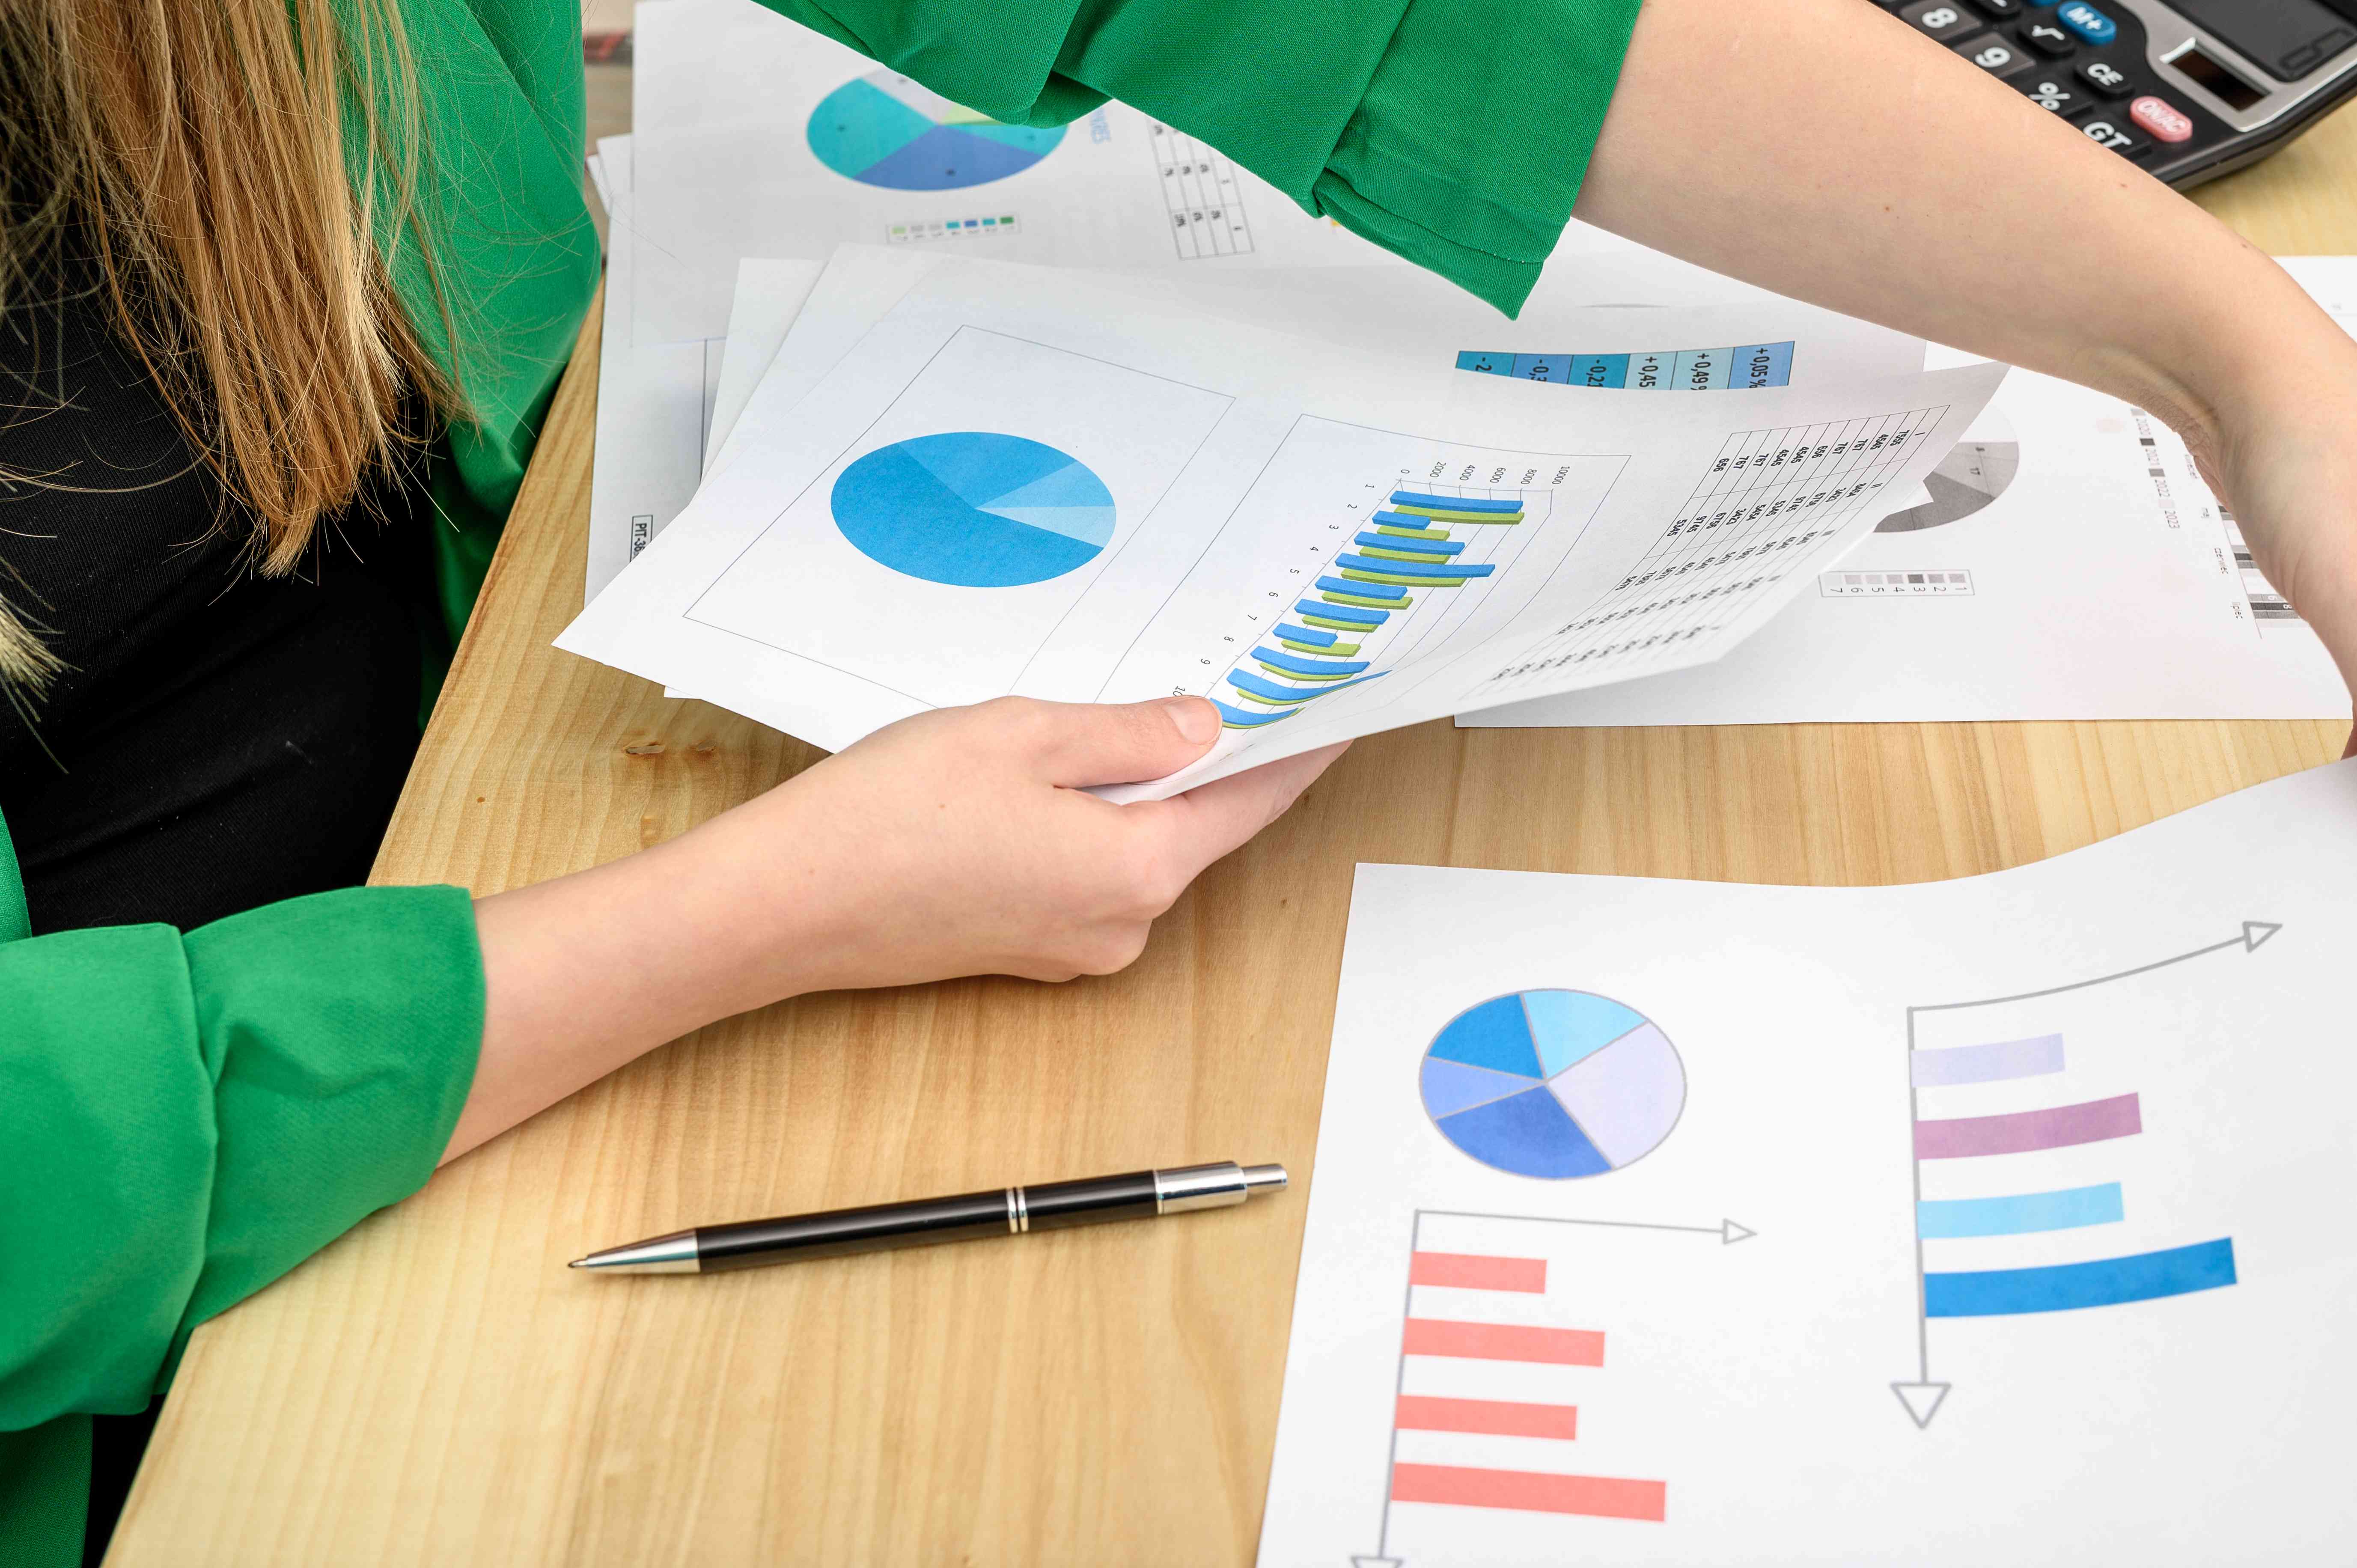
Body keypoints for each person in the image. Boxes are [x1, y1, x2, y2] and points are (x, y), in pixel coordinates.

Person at [5, 0, 2355, 1561]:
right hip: (197, 1245)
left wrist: (2239, 362)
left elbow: (1411, 22)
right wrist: (738, 921)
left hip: (458, 798)